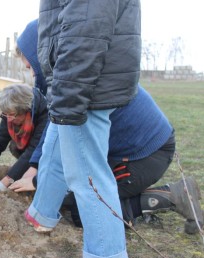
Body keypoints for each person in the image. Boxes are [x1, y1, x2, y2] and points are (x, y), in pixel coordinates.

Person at [11, 19, 204, 234]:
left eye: (28, 62)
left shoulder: (80, 84)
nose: (28, 69)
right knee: (74, 194)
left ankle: (173, 196)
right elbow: (54, 128)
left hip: (145, 154)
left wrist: (38, 181)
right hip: (132, 148)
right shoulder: (77, 72)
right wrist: (34, 167)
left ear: (43, 52)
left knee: (84, 210)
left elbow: (70, 145)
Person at [25, 0, 141, 258]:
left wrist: (68, 96)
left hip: (83, 86)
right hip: (72, 82)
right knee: (54, 149)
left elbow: (85, 34)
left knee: (89, 177)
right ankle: (41, 214)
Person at [0, 83, 48, 194]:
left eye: (11, 115)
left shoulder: (44, 113)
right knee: (14, 146)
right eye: (5, 114)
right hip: (29, 149)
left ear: (26, 110)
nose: (8, 119)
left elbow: (34, 149)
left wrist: (3, 183)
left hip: (46, 151)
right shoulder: (10, 113)